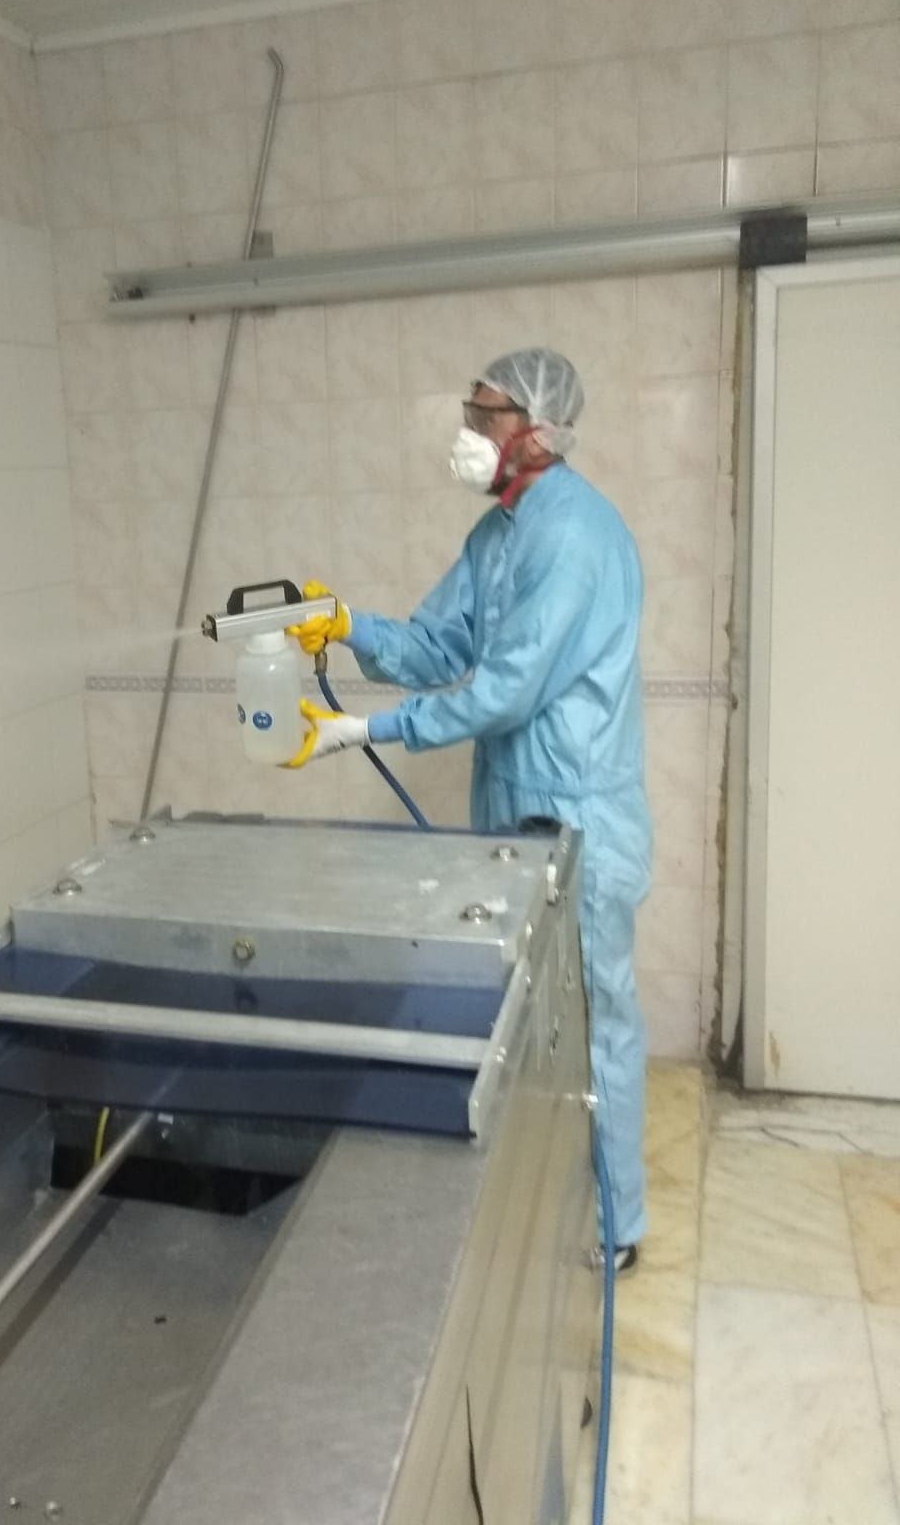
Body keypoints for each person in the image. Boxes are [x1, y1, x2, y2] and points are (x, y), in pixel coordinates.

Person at [287, 347, 652, 1271]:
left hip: (579, 818)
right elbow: (434, 644)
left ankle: (614, 1224)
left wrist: (363, 731)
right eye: (471, 413)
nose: (470, 433)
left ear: (539, 432)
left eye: (486, 418)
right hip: (512, 813)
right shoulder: (498, 535)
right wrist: (347, 624)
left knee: (595, 1022)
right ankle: (536, 1198)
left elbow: (507, 691)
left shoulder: (575, 536)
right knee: (525, 1021)